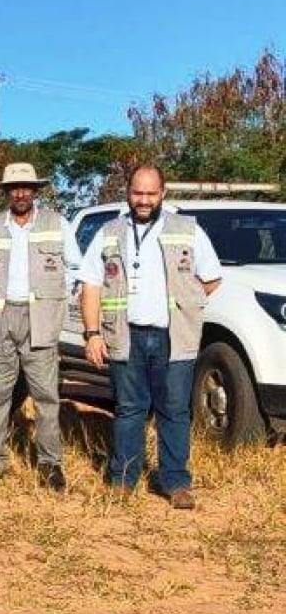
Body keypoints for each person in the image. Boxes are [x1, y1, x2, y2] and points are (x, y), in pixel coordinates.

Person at [80, 164, 221, 509]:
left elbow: (212, 278)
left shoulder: (187, 230)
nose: (143, 200)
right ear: (128, 193)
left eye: (150, 193)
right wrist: (93, 334)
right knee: (129, 410)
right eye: (137, 193)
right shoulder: (109, 233)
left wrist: (189, 304)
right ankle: (124, 479)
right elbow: (91, 285)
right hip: (125, 337)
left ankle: (175, 482)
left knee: (174, 410)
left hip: (174, 338)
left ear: (163, 193)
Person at [0, 162, 80, 491]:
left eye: (26, 187)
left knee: (46, 397)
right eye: (13, 188)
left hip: (40, 322)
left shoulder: (56, 224)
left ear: (35, 191)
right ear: (5, 192)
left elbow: (75, 270)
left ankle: (50, 464)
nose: (20, 193)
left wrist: (56, 304)